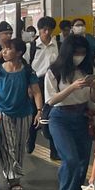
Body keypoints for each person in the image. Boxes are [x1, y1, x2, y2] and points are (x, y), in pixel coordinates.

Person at [45, 33, 95, 190]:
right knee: (70, 159)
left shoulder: (88, 69)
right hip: (60, 118)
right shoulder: (54, 71)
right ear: (68, 53)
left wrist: (92, 86)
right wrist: (72, 87)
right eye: (76, 52)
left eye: (83, 52)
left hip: (82, 116)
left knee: (83, 161)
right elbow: (51, 100)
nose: (80, 56)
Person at [0, 37, 43, 190]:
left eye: (8, 49)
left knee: (19, 145)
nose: (4, 52)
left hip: (24, 113)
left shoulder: (28, 70)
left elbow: (36, 91)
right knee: (8, 144)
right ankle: (13, 179)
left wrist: (39, 111)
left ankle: (14, 174)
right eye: (3, 48)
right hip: (2, 112)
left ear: (19, 52)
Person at [30, 16, 61, 159]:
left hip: (53, 84)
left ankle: (54, 151)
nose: (47, 32)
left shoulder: (58, 45)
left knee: (52, 117)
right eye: (44, 30)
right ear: (39, 30)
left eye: (50, 30)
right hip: (35, 83)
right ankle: (30, 142)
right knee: (33, 115)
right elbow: (25, 67)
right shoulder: (30, 47)